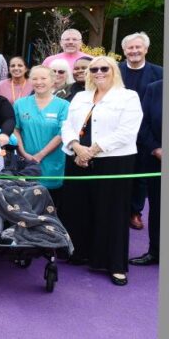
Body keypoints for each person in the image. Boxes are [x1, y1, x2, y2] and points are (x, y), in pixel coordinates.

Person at [60, 56, 142, 286]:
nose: (98, 72)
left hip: (113, 161)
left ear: (114, 70)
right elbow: (67, 125)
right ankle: (80, 253)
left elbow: (128, 130)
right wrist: (76, 147)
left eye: (104, 68)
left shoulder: (128, 97)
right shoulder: (80, 96)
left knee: (112, 211)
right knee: (79, 206)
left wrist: (93, 150)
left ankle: (114, 264)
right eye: (93, 69)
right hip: (77, 159)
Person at [118, 32, 163, 230]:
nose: (134, 51)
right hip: (118, 133)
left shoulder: (160, 73)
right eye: (130, 48)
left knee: (141, 176)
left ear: (146, 49)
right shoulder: (114, 70)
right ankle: (117, 211)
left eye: (138, 47)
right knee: (119, 174)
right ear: (124, 50)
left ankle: (135, 211)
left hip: (146, 135)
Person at [12, 66, 69, 199]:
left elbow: (63, 133)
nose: (39, 82)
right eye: (35, 78)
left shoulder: (64, 105)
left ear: (52, 80)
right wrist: (24, 153)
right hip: (26, 162)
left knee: (52, 204)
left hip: (52, 163)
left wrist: (40, 155)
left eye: (43, 78)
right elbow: (15, 129)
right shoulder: (20, 104)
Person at [131, 79, 162, 266]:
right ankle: (156, 251)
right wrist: (157, 149)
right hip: (157, 160)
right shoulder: (155, 88)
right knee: (158, 208)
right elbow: (142, 125)